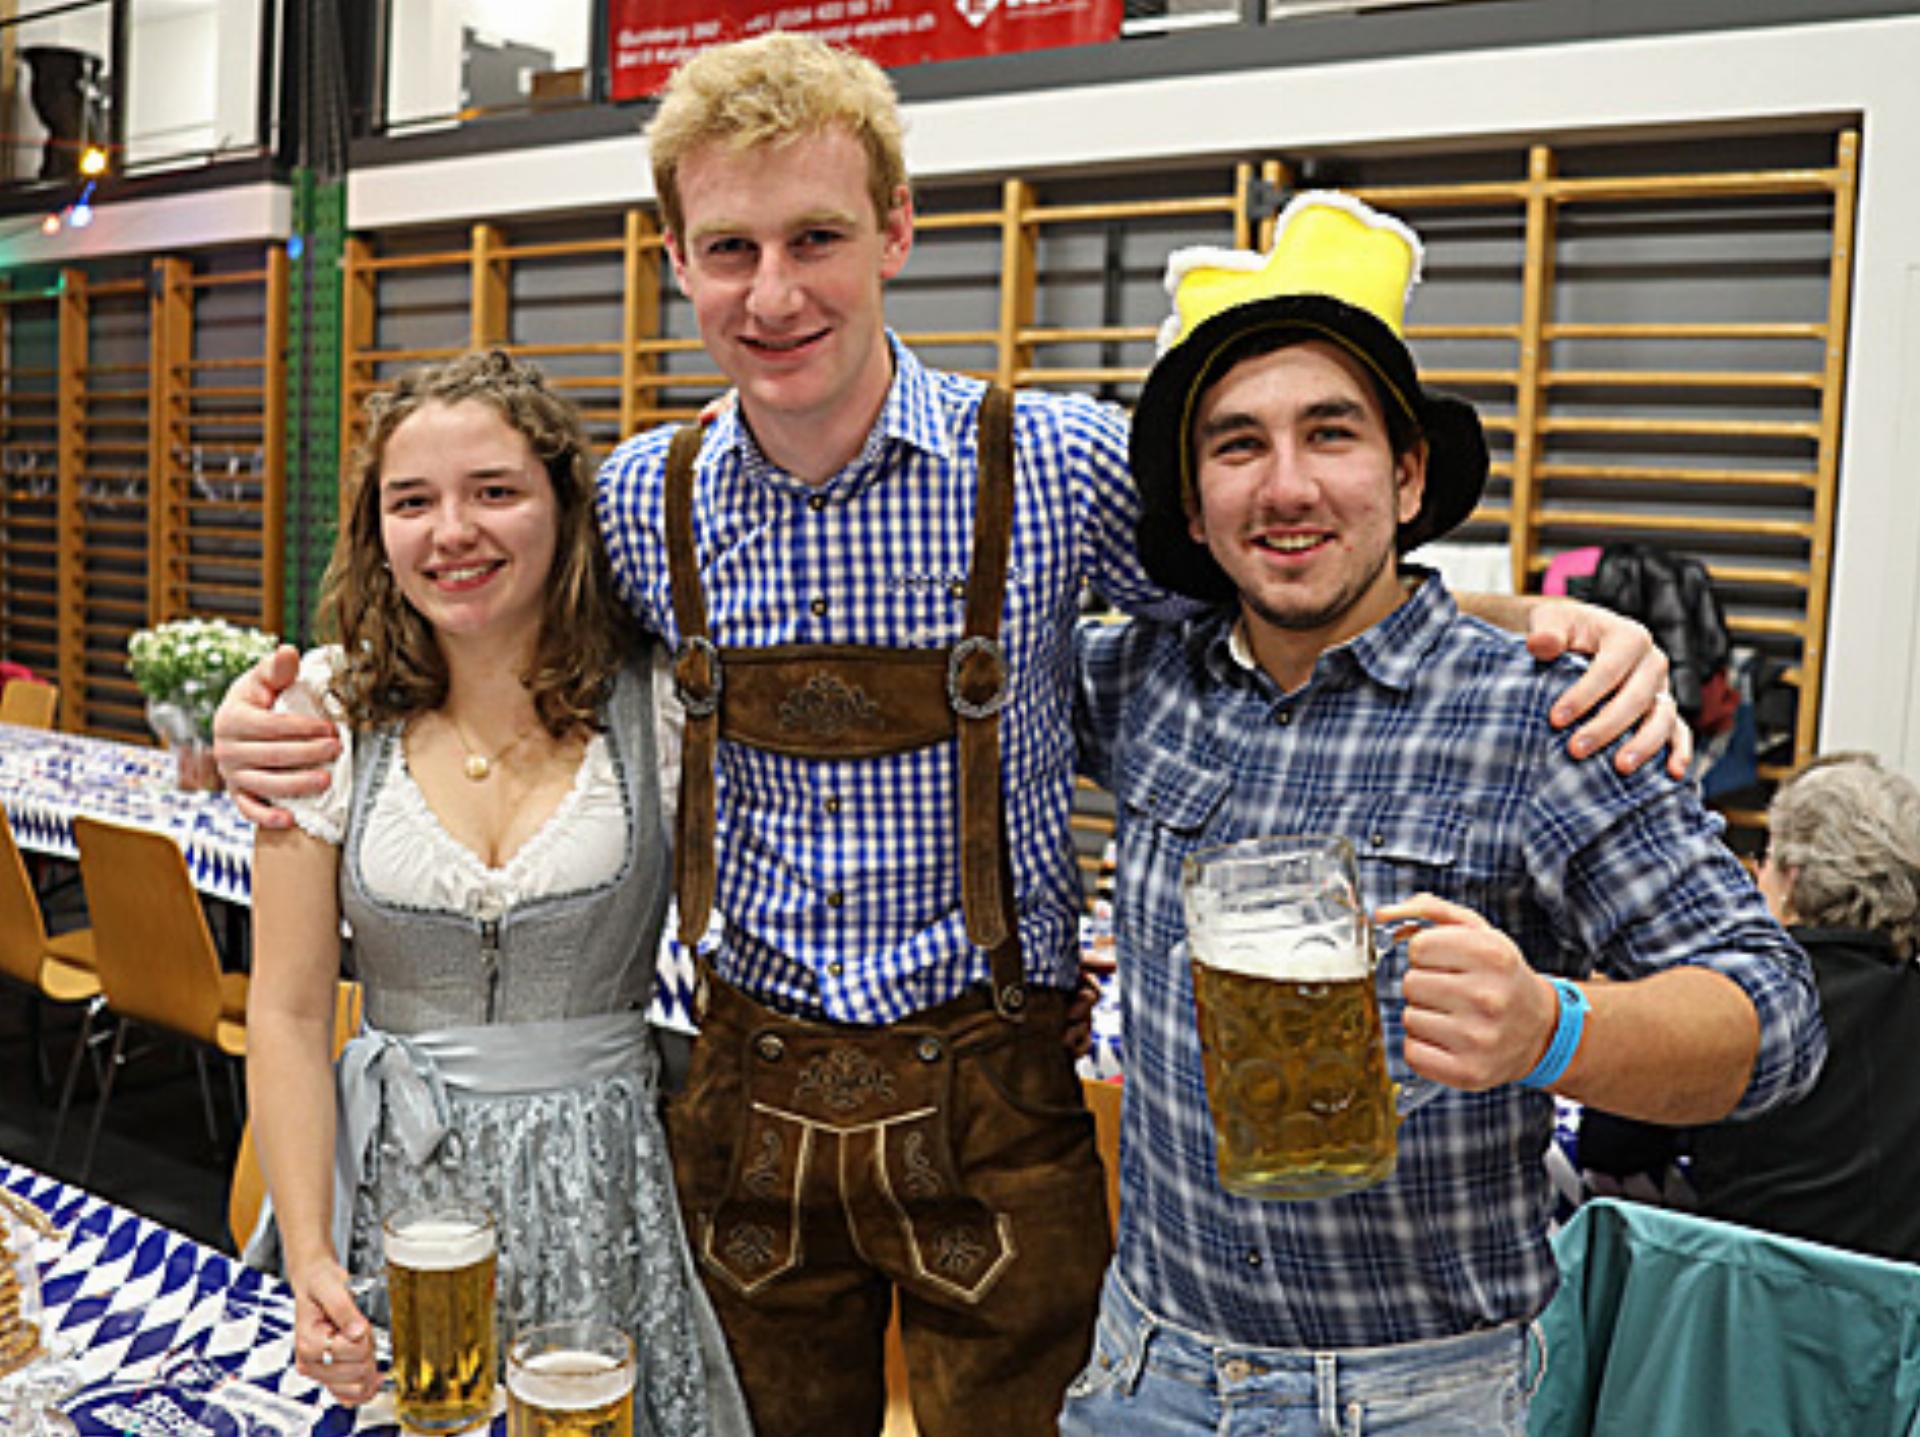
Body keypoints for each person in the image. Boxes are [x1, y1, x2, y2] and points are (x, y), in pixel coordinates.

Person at [217, 36, 1688, 1437]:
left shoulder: (1056, 465)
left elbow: (1281, 565)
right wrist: (261, 721)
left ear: (897, 230)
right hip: (744, 1109)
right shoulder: (643, 507)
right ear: (676, 263)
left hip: (997, 1110)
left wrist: (1531, 619)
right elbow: (469, 622)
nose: (773, 290)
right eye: (729, 249)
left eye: (815, 239)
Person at [1065, 191, 1828, 1435]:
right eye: (1239, 445)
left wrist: (1553, 1025)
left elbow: (1777, 1017)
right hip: (1148, 1367)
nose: (1289, 485)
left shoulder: (1545, 720)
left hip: (1422, 1396)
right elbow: (939, 658)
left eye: (1333, 434)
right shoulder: (1139, 685)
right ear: (1197, 510)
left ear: (1410, 474)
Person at [241, 351, 750, 1437]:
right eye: (411, 501)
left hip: (602, 1188)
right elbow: (284, 1010)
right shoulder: (326, 708)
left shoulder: (656, 701)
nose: (450, 532)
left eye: (494, 492)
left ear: (565, 509)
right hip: (397, 1192)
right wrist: (313, 1245)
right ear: (377, 529)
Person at [1682, 752, 1920, 1263]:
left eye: (1764, 858)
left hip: (1735, 1313)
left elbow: (1614, 1150)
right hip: (1894, 1331)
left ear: (1789, 877)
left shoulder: (1738, 1003)